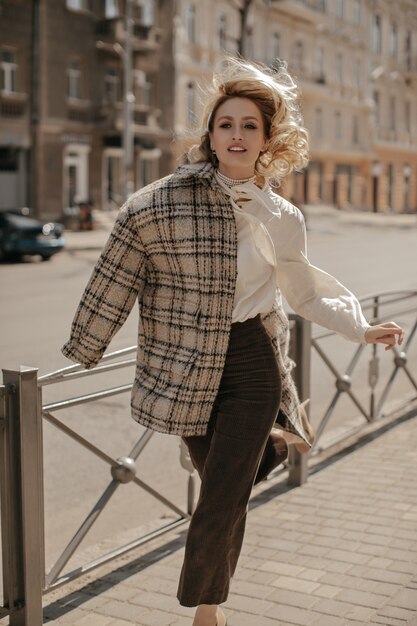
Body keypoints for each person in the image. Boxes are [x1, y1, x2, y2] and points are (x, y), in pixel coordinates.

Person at [62, 57, 404, 626]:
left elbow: (303, 291)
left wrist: (359, 327)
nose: (237, 134)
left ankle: (205, 610)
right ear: (211, 135)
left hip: (252, 361)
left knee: (221, 497)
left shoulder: (282, 216)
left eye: (250, 125)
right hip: (186, 365)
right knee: (223, 480)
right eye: (227, 124)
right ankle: (271, 446)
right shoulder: (157, 203)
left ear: (267, 139)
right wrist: (84, 348)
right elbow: (115, 276)